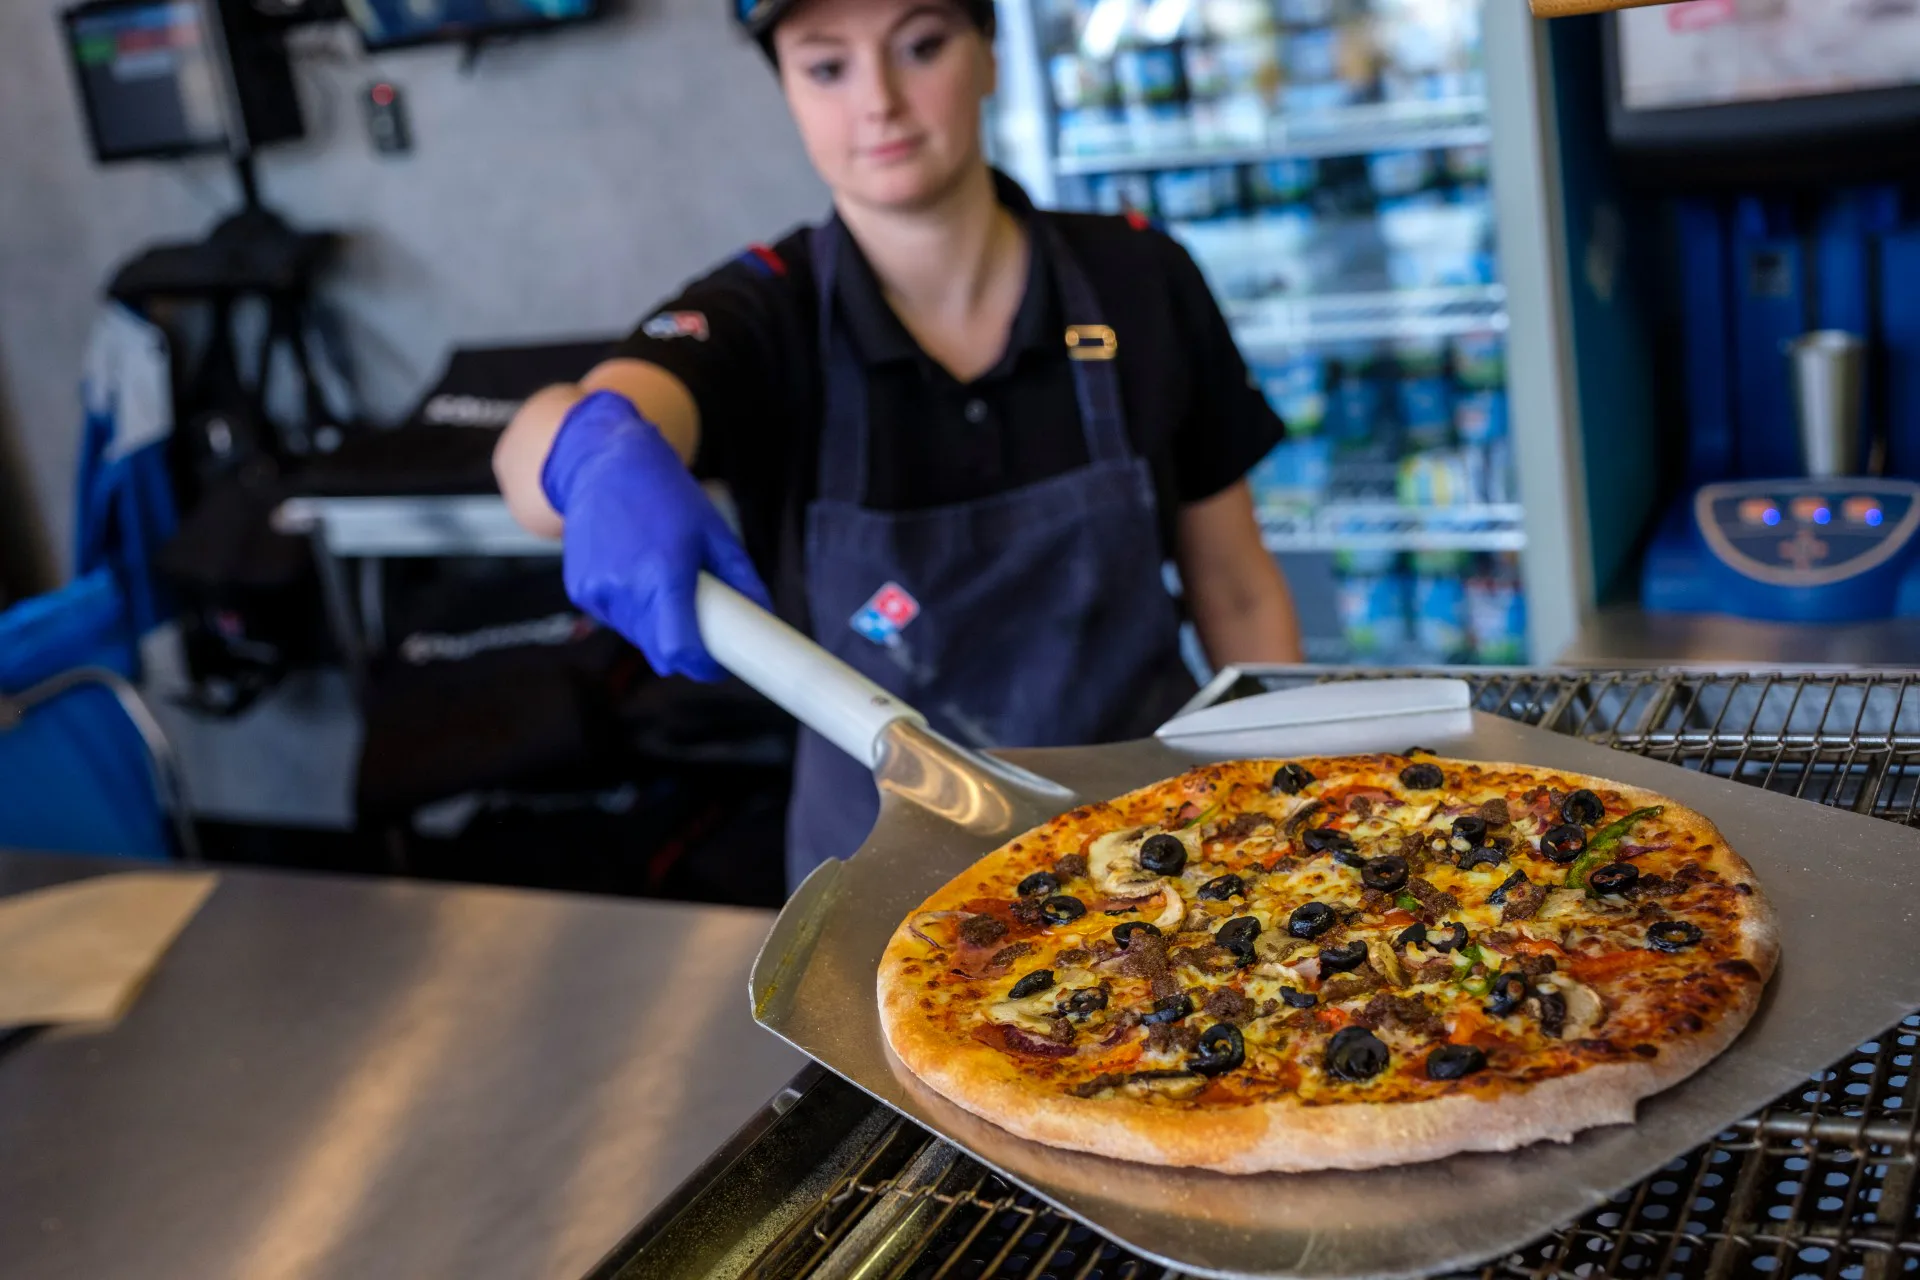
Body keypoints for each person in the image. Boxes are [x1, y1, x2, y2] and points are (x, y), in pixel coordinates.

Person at [494, 0, 1305, 887]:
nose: (877, 101)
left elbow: (1235, 586)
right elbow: (542, 456)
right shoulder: (767, 311)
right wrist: (594, 450)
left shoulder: (1140, 278)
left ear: (991, 55)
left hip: (1158, 849)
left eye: (920, 47)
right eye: (827, 67)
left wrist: (1290, 804)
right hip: (891, 893)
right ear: (787, 90)